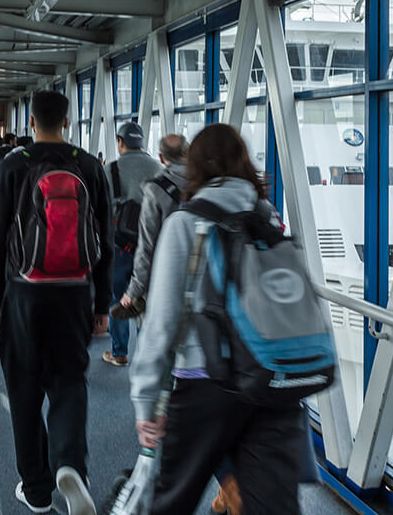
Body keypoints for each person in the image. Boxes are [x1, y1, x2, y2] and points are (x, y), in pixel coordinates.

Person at [130, 124, 304, 515]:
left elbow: (162, 325)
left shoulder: (186, 222)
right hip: (270, 381)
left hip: (203, 384)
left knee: (171, 501)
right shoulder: (268, 216)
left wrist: (146, 402)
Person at [0, 90, 112, 515]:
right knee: (69, 381)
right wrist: (101, 306)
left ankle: (37, 490)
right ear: (67, 120)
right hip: (76, 294)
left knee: (23, 390)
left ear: (33, 122)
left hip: (23, 293)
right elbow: (105, 243)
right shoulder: (90, 167)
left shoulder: (13, 166)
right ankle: (71, 464)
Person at [101, 121, 161, 367]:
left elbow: (100, 208)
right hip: (151, 244)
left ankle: (119, 352)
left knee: (119, 296)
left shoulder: (111, 169)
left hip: (119, 244)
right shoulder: (157, 168)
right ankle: (148, 355)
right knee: (149, 299)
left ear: (121, 142)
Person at [116, 133, 188, 318]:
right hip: (202, 278)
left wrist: (133, 291)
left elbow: (147, 245)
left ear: (162, 158)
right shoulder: (206, 183)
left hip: (165, 274)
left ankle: (120, 348)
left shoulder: (156, 189)